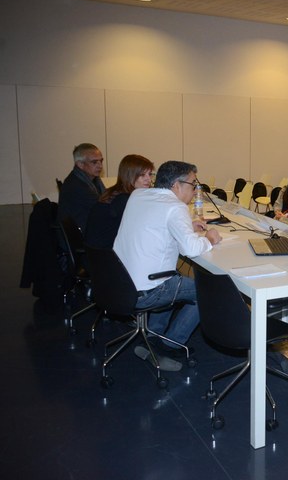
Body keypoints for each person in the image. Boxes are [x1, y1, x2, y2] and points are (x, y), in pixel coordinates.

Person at [113, 161, 222, 371]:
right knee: (208, 291)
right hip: (147, 289)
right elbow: (190, 249)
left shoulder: (138, 195)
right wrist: (210, 238)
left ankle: (154, 335)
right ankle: (171, 342)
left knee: (174, 279)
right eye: (193, 183)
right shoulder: (176, 207)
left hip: (119, 282)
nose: (195, 189)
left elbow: (153, 224)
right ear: (176, 185)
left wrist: (187, 226)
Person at [85, 154, 154, 249]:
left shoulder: (116, 191)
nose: (148, 179)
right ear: (129, 175)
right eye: (142, 175)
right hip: (106, 255)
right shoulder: (124, 199)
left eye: (150, 174)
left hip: (97, 253)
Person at [58, 143, 106, 232]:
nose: (100, 166)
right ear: (80, 164)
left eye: (101, 161)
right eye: (94, 162)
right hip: (82, 235)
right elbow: (102, 208)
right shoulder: (76, 186)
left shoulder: (90, 180)